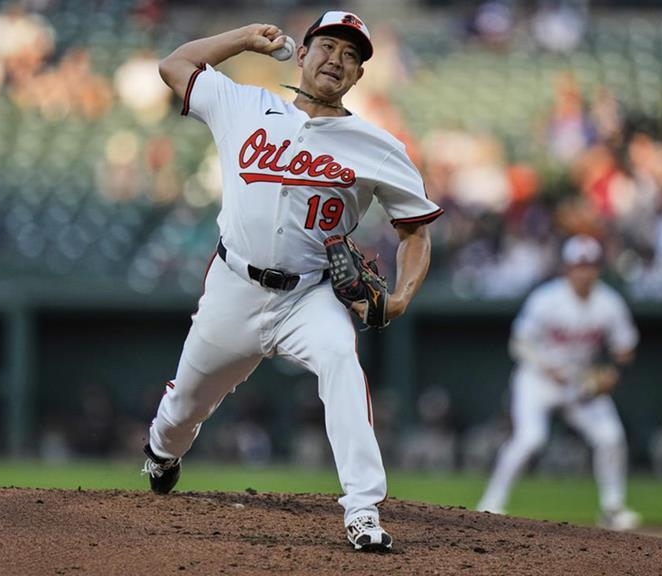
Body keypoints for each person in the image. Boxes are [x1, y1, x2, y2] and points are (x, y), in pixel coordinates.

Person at [141, 11, 442, 552]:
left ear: (359, 75)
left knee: (340, 359)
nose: (337, 60)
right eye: (327, 46)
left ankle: (363, 509)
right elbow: (174, 65)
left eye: (351, 55)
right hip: (234, 287)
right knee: (184, 407)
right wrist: (242, 39)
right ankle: (163, 453)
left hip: (310, 294)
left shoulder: (377, 146)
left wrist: (399, 298)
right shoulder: (243, 105)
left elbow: (415, 232)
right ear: (302, 54)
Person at [476, 235, 642, 531]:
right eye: (579, 265)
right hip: (538, 379)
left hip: (580, 383)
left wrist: (612, 372)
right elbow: (519, 342)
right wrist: (546, 367)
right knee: (530, 439)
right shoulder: (547, 298)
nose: (585, 272)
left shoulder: (609, 303)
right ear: (567, 268)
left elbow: (625, 348)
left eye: (591, 266)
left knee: (610, 437)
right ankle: (490, 504)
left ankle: (612, 508)